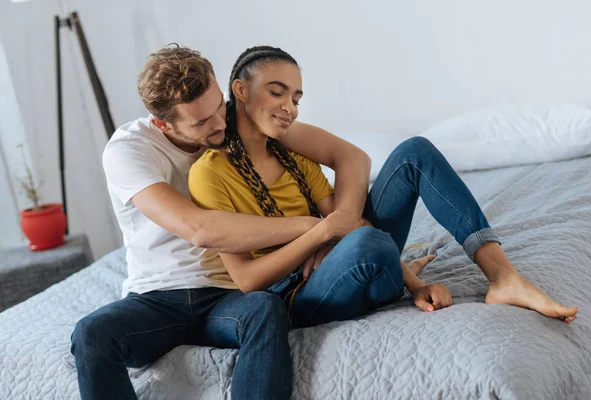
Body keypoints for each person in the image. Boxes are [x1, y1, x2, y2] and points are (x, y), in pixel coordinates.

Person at [188, 45, 579, 393]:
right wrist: (323, 235)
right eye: (277, 92)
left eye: (296, 97)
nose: (289, 106)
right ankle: (386, 268)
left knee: (414, 151)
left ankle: (503, 276)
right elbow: (248, 281)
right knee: (366, 243)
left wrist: (413, 283)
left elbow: (350, 220)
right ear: (240, 91)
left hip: (354, 258)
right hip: (298, 295)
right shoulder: (209, 173)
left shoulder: (293, 154)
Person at [70, 45, 378, 400]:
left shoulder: (239, 119)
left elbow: (349, 156)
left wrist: (342, 224)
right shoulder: (129, 150)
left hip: (228, 296)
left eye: (219, 105)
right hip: (159, 300)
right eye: (201, 122)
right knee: (91, 334)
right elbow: (200, 229)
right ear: (162, 123)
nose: (220, 123)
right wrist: (316, 227)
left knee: (265, 307)